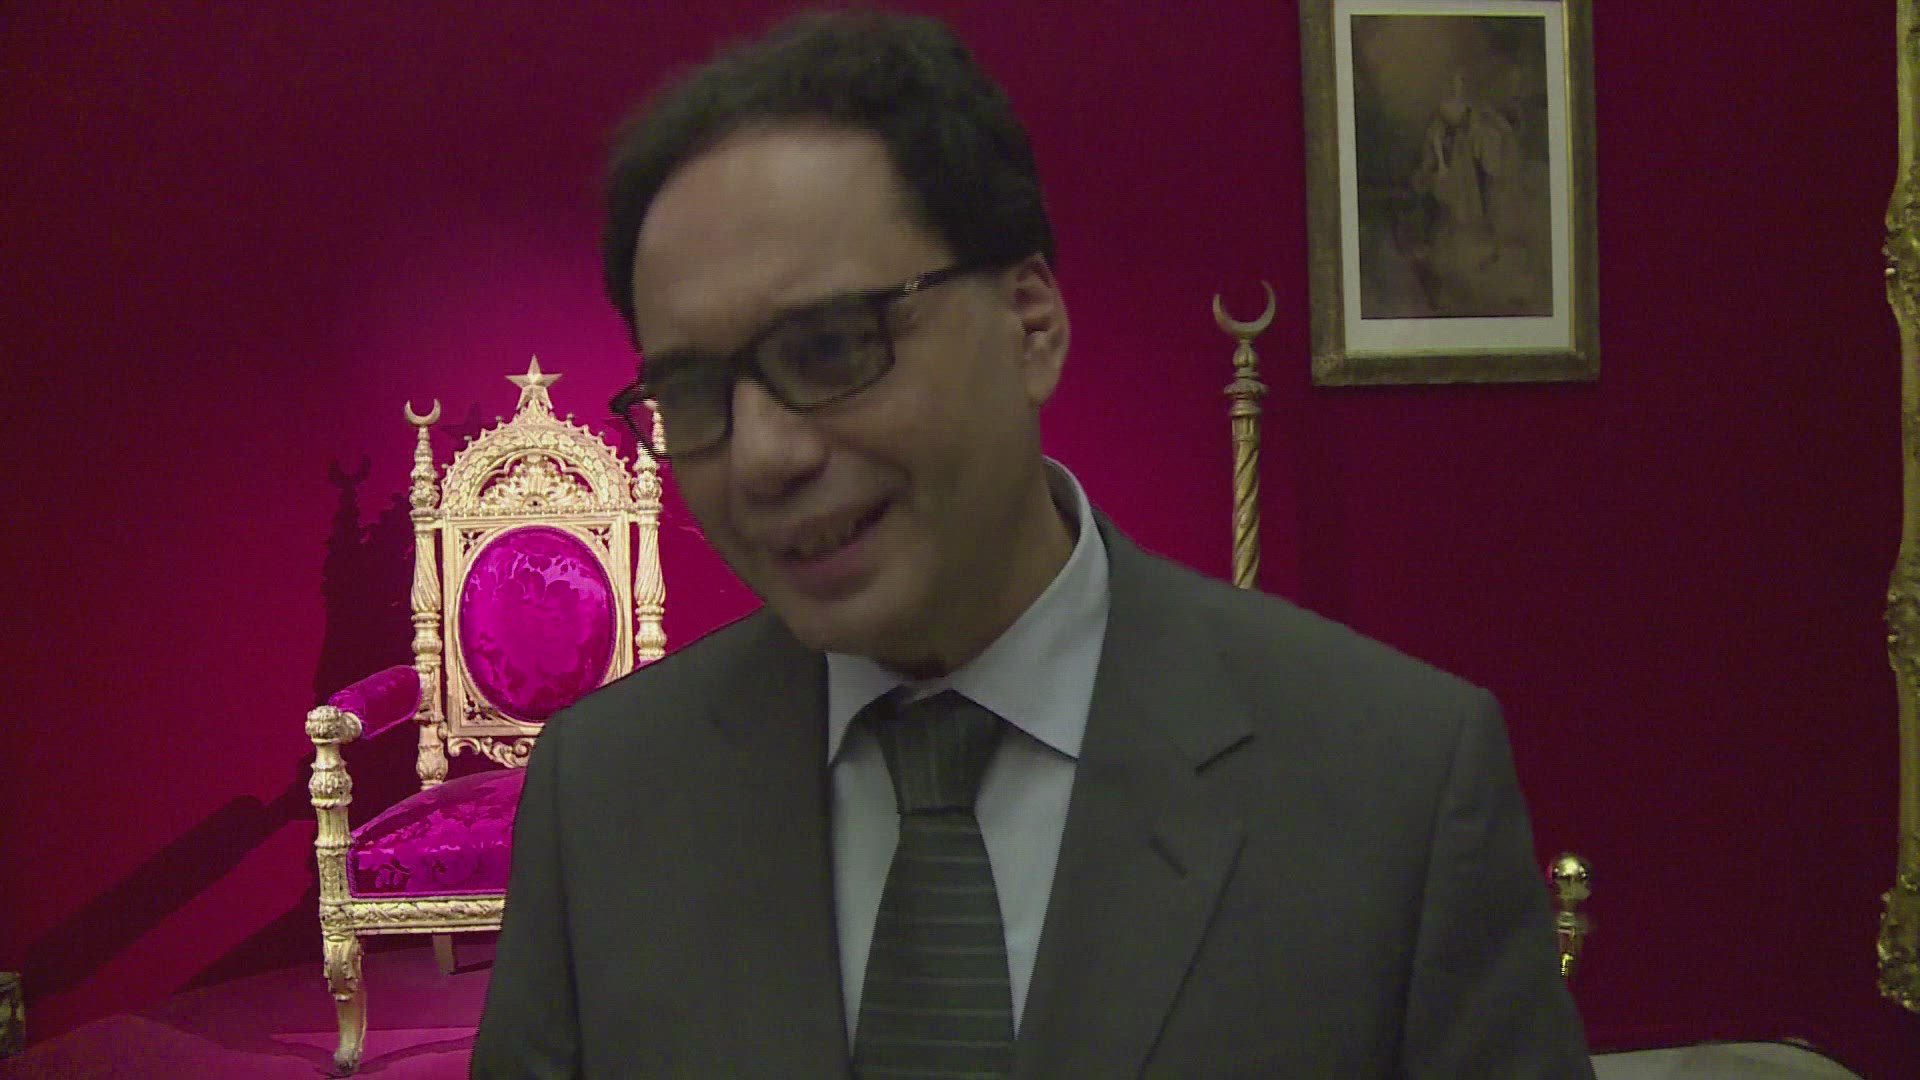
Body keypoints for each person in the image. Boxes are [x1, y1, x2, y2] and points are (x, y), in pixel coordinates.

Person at [471, 10, 1593, 1078]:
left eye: (830, 348)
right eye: (692, 394)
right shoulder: (605, 795)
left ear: (1030, 324)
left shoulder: (1393, 781)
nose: (762, 456)